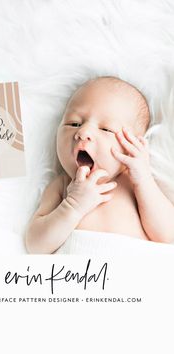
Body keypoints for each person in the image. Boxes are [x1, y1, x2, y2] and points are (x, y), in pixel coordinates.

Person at [25, 76, 174, 254]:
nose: (83, 132)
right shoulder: (63, 186)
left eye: (106, 129)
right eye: (74, 123)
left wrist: (144, 179)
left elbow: (168, 236)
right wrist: (72, 206)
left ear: (131, 147)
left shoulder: (134, 185)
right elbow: (35, 245)